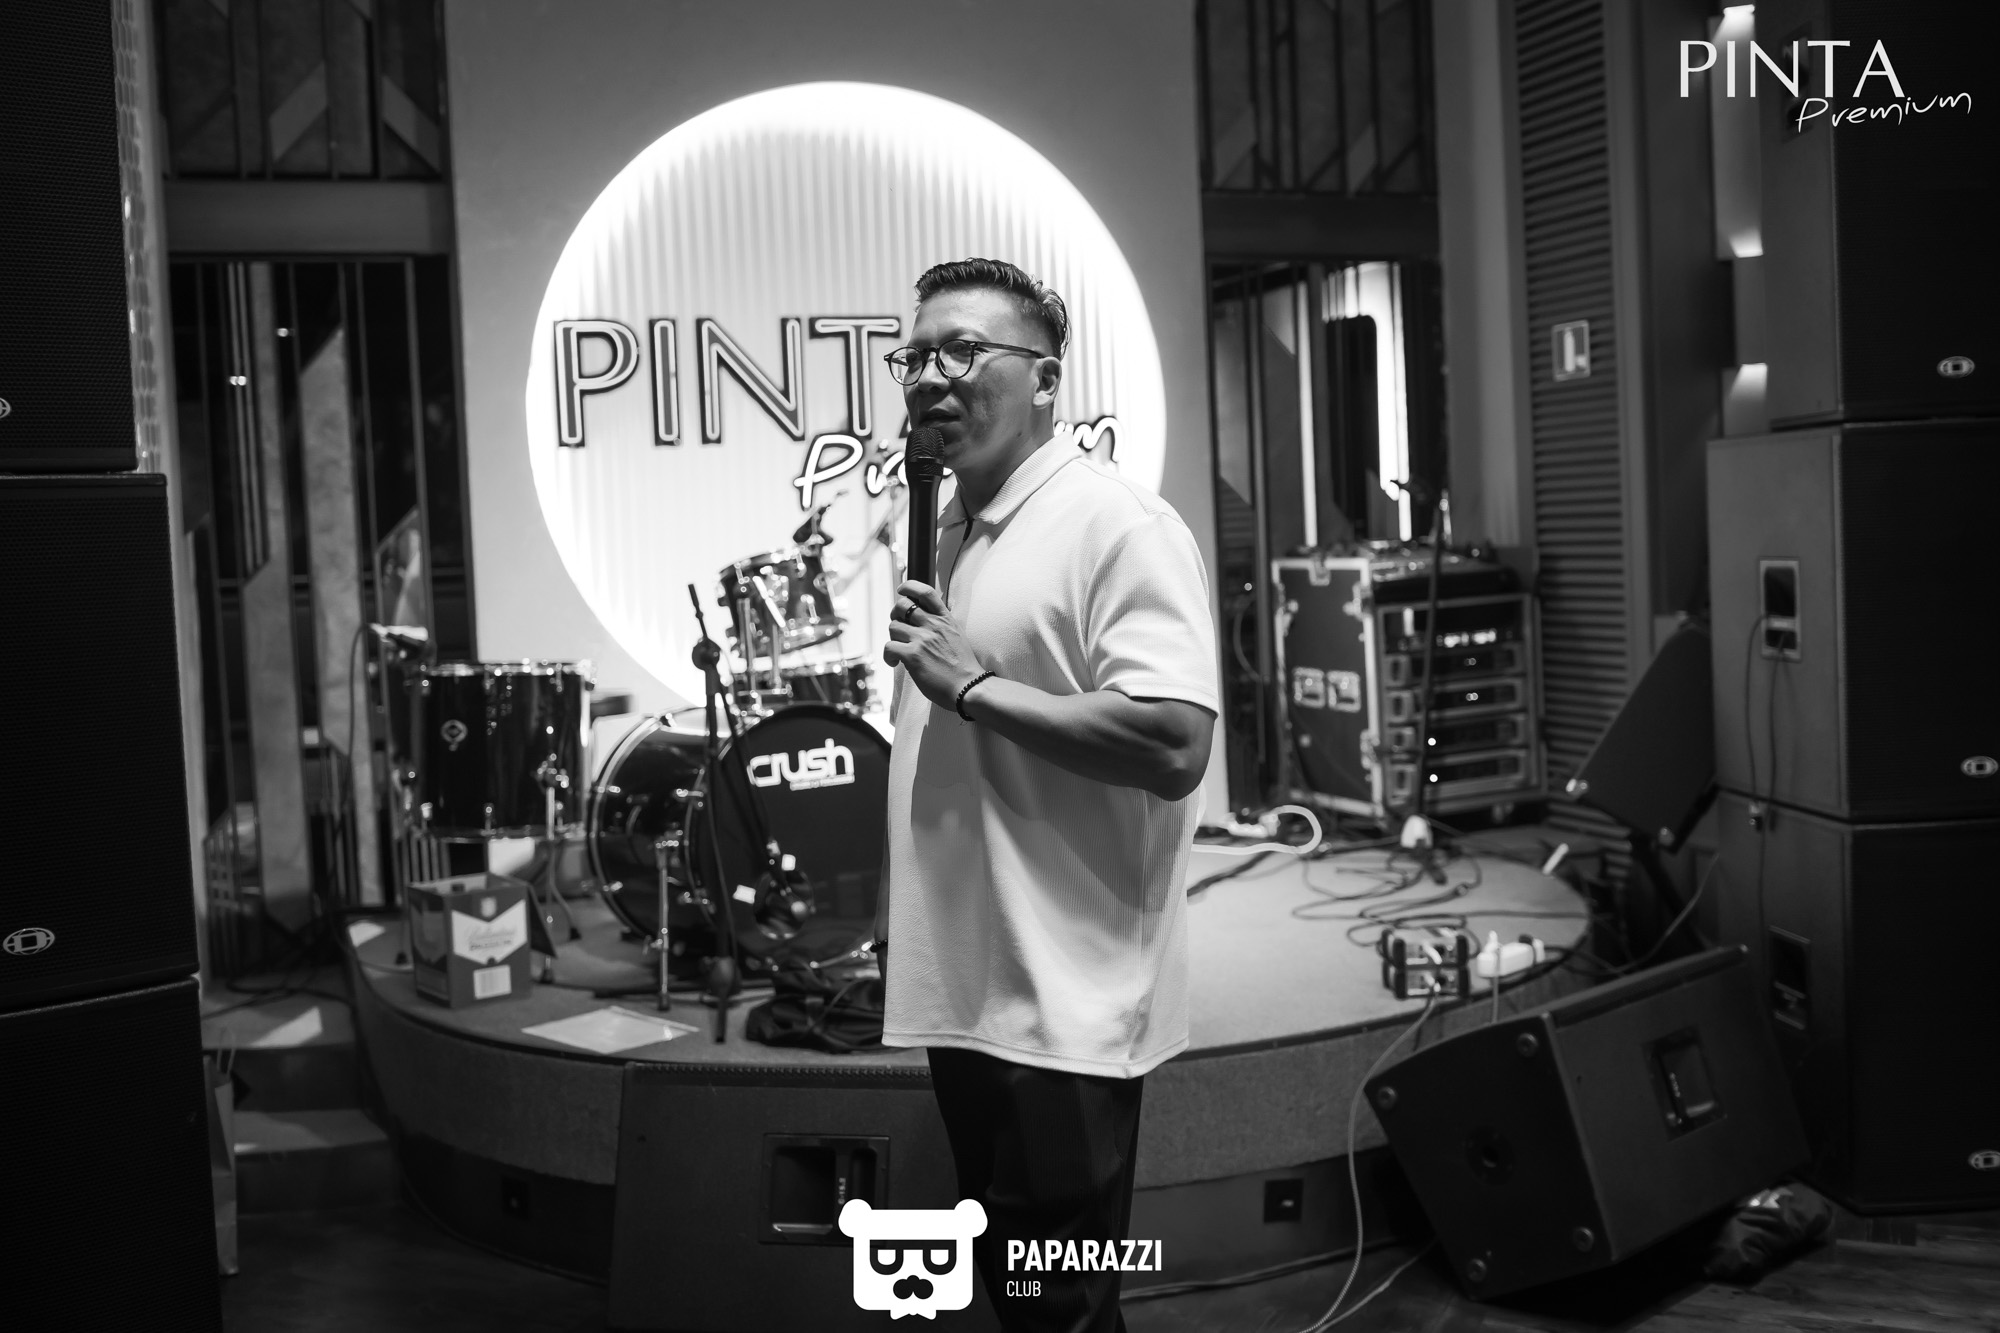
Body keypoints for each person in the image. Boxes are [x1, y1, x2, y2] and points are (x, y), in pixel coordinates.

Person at [877, 258, 1218, 1332]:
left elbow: (1174, 740)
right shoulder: (950, 526)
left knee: (1058, 1305)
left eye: (964, 350)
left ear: (1046, 379)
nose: (931, 376)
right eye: (914, 356)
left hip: (1065, 1002)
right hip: (971, 985)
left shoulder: (1114, 523)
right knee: (1023, 1294)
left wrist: (973, 688)